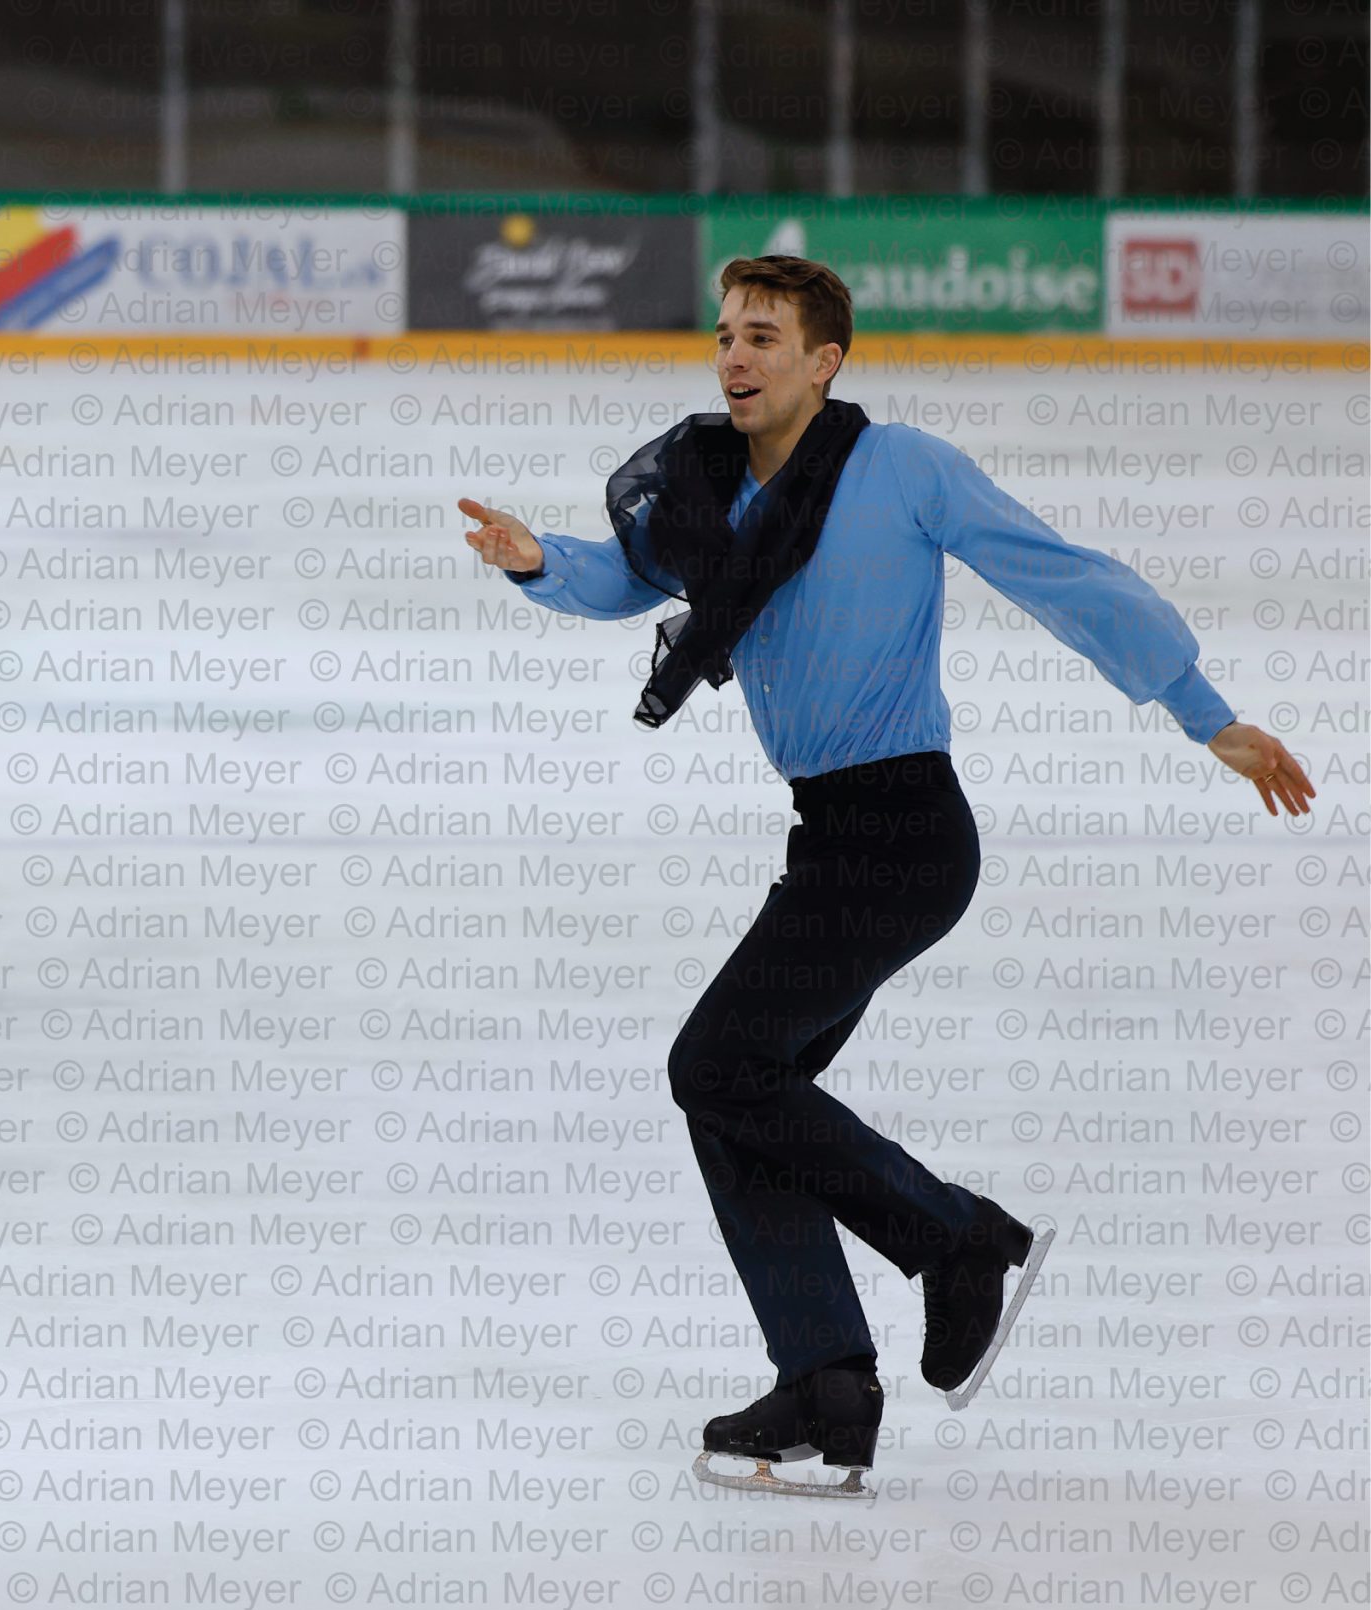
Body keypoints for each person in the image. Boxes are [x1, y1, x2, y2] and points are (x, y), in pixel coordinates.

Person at [458, 255, 1314, 1497]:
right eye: (722, 335)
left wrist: (1200, 711)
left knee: (716, 1063)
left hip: (906, 835)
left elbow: (1061, 576)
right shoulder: (701, 487)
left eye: (763, 336)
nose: (734, 357)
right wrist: (539, 560)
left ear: (826, 361)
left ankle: (958, 1240)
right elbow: (619, 577)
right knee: (744, 1091)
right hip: (830, 835)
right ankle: (826, 1384)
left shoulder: (901, 469)